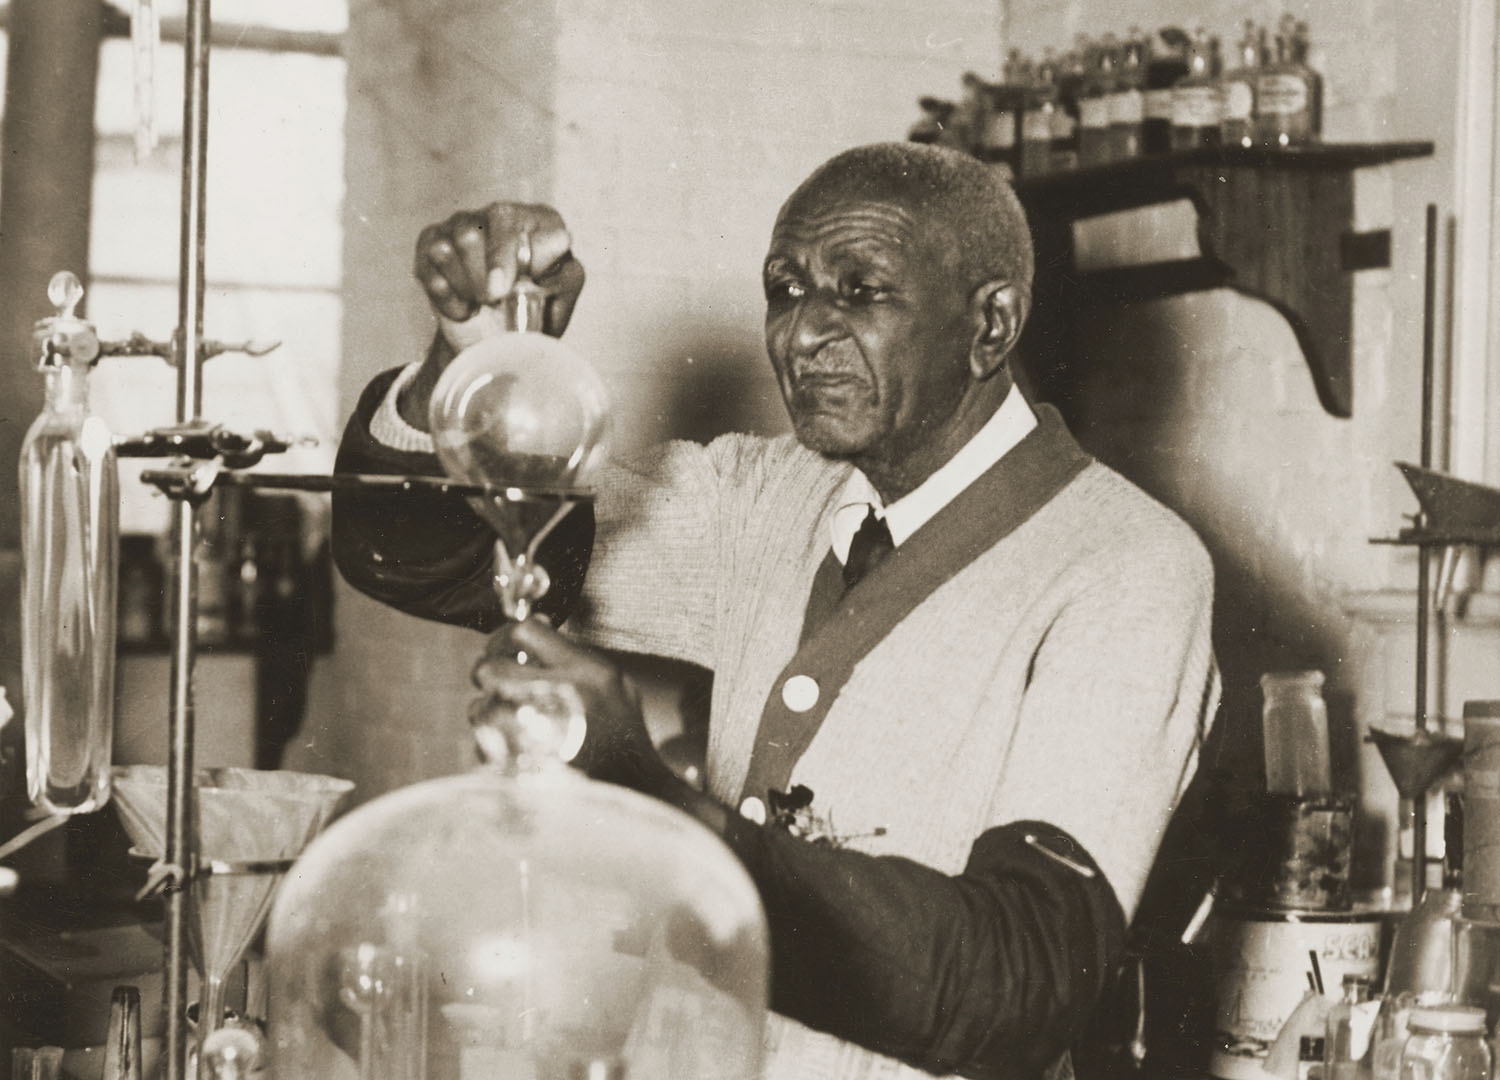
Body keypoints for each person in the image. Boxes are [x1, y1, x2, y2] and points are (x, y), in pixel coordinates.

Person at [332, 142, 1219, 1080]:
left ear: (991, 323)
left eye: (860, 290)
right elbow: (425, 560)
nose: (802, 334)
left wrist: (649, 798)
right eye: (785, 289)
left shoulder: (1128, 567)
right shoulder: (764, 500)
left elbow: (1021, 981)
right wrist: (470, 364)